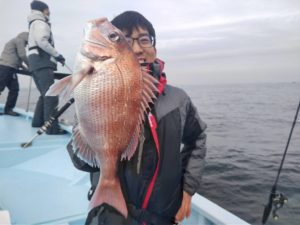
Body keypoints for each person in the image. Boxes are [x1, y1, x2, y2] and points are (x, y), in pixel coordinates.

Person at [67, 11, 207, 225]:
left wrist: (187, 190)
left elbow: (197, 138)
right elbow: (81, 161)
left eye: (144, 40)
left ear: (154, 48)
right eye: (125, 39)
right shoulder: (93, 82)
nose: (138, 48)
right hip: (110, 215)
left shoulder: (179, 99)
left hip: (163, 215)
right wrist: (88, 109)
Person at [27, 0, 66, 134]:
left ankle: (37, 122)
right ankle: (52, 128)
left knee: (44, 94)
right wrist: (58, 55)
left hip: (34, 62)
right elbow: (42, 41)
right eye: (48, 10)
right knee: (51, 94)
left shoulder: (33, 23)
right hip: (42, 62)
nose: (49, 12)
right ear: (43, 10)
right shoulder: (40, 23)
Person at [0, 32, 29, 116]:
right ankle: (8, 109)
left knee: (14, 89)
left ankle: (8, 109)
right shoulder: (19, 40)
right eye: (27, 42)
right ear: (26, 38)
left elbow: (16, 59)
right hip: (5, 68)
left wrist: (24, 68)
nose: (27, 45)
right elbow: (22, 55)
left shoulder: (15, 41)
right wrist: (31, 66)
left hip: (12, 69)